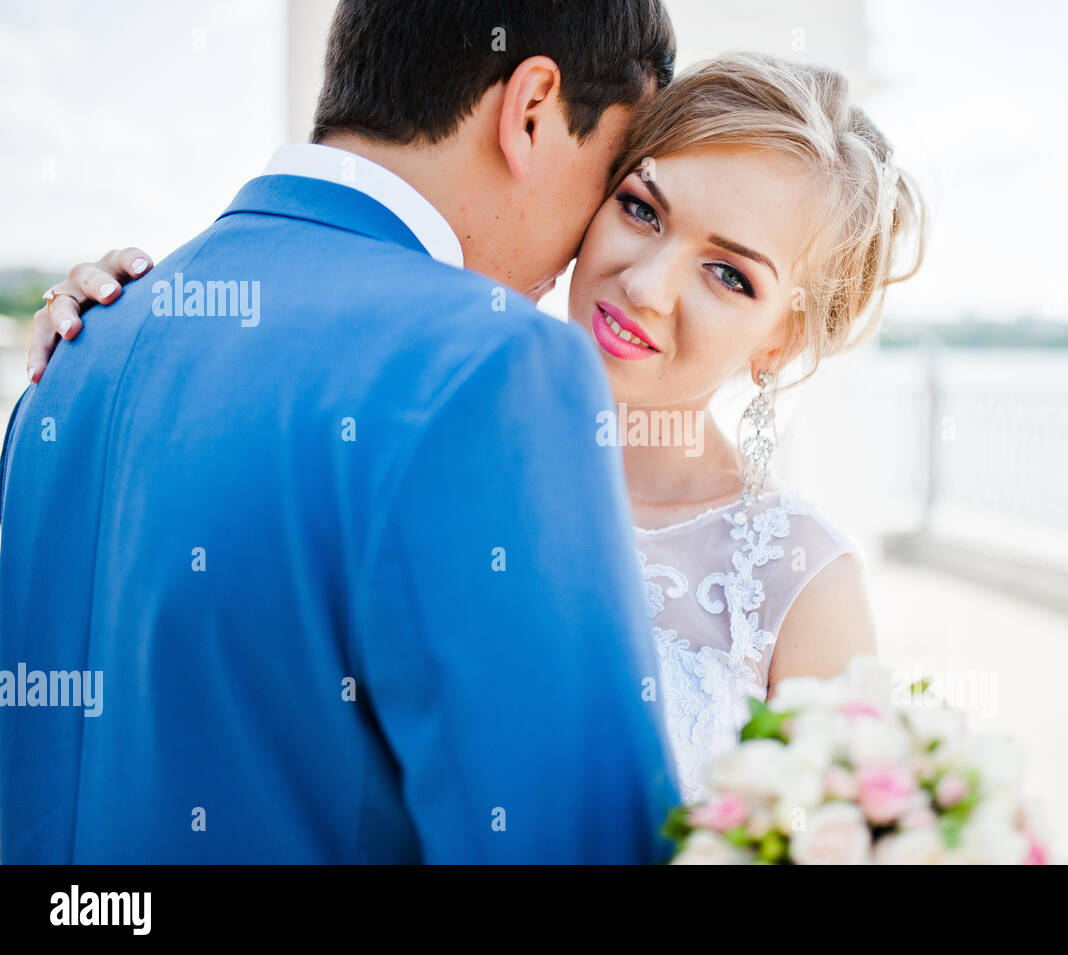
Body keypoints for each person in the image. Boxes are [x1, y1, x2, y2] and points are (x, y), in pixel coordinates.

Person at [24, 51, 925, 806]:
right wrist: (123, 338)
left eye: (730, 275)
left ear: (786, 338)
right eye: (642, 209)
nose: (646, 284)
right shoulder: (422, 433)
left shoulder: (800, 587)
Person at [0, 0, 680, 864]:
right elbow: (576, 842)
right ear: (533, 108)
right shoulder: (494, 367)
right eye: (610, 173)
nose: (591, 239)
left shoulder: (76, 348)